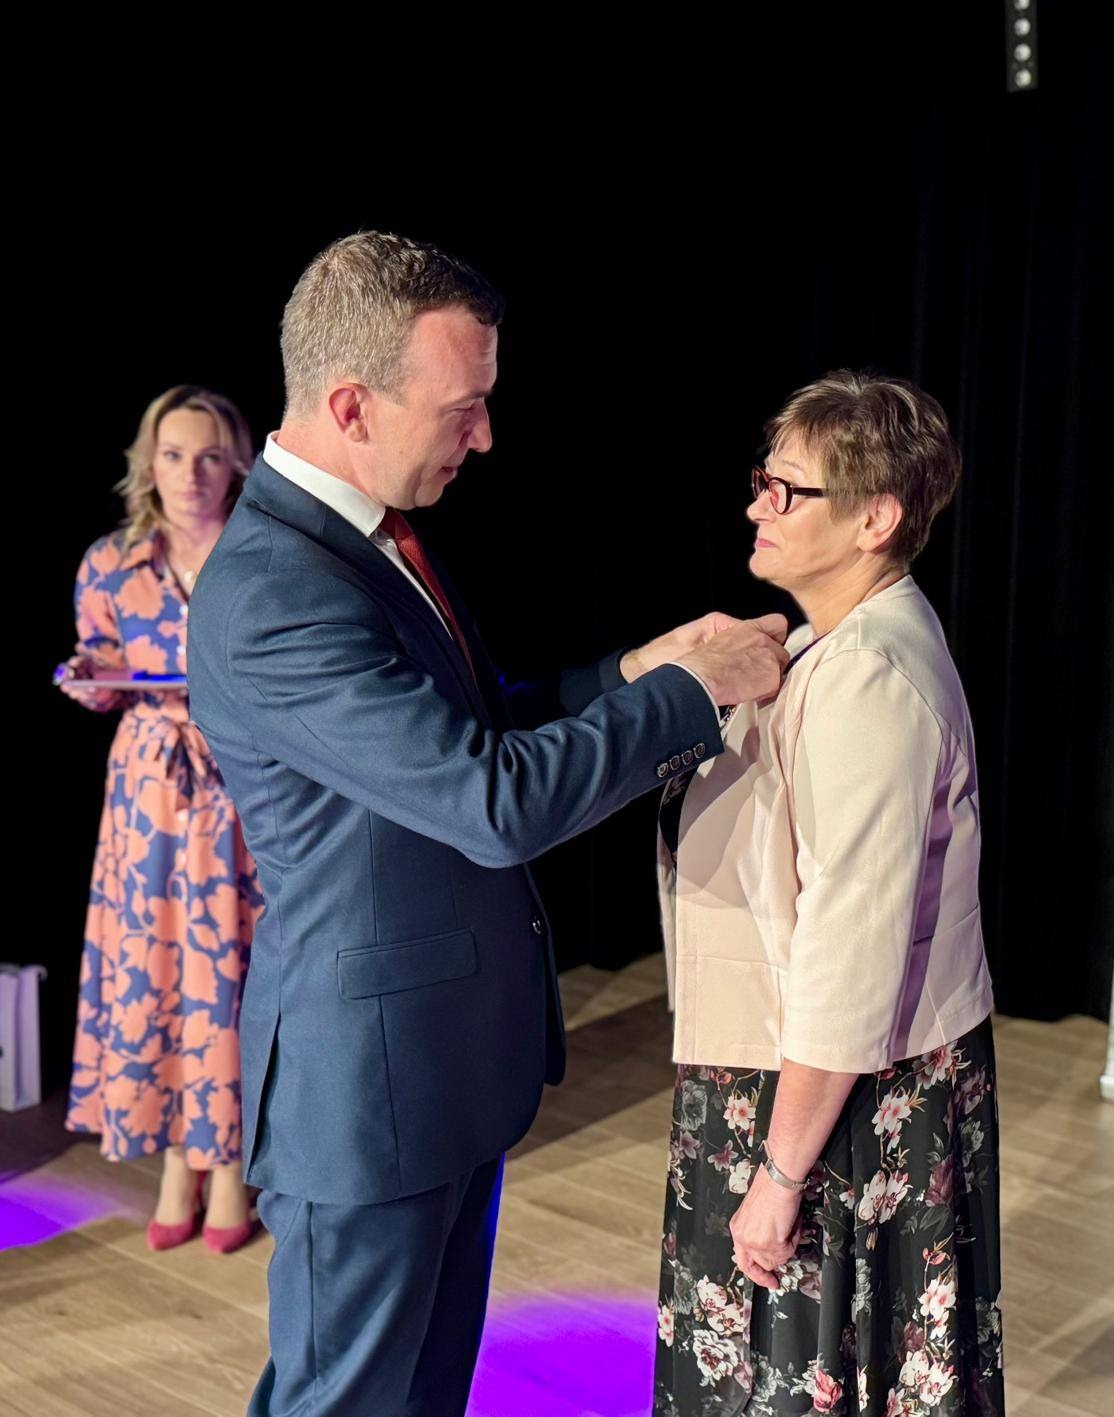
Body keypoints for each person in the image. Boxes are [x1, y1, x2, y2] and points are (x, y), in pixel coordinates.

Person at [185, 231, 788, 1416]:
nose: (486, 435)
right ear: (352, 405)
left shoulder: (367, 538)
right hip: (367, 1099)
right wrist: (692, 694)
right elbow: (491, 800)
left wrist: (637, 669)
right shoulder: (272, 592)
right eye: (463, 408)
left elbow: (481, 721)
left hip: (435, 1074)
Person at [655, 372, 1003, 1415]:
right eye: (761, 480)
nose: (756, 505)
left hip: (831, 1103)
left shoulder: (867, 678)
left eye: (787, 489)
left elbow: (853, 949)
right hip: (804, 1078)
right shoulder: (831, 644)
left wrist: (779, 1174)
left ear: (875, 519)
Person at [59, 385, 262, 1254]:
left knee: (234, 975)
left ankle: (233, 1163)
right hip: (148, 792)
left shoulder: (261, 554)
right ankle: (179, 1156)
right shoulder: (111, 562)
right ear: (149, 463)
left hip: (242, 780)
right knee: (158, 971)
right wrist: (88, 681)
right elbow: (102, 668)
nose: (191, 474)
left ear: (236, 463)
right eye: (174, 455)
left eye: (209, 455)